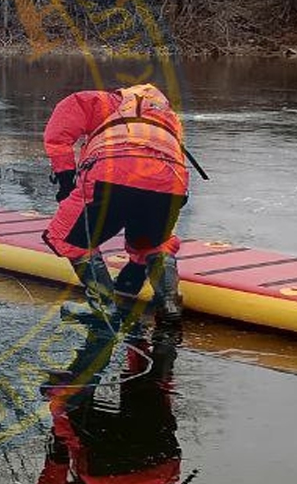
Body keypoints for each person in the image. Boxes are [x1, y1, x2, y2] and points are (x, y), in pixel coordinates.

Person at [42, 81, 190, 332]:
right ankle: (169, 304)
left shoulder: (106, 102)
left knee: (68, 237)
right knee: (155, 241)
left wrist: (66, 180)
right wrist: (135, 269)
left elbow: (59, 134)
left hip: (111, 173)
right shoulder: (168, 119)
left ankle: (102, 307)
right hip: (171, 180)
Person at [37, 324, 187, 484]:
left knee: (150, 394)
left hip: (160, 464)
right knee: (72, 416)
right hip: (106, 475)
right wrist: (58, 453)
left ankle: (160, 342)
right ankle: (68, 384)